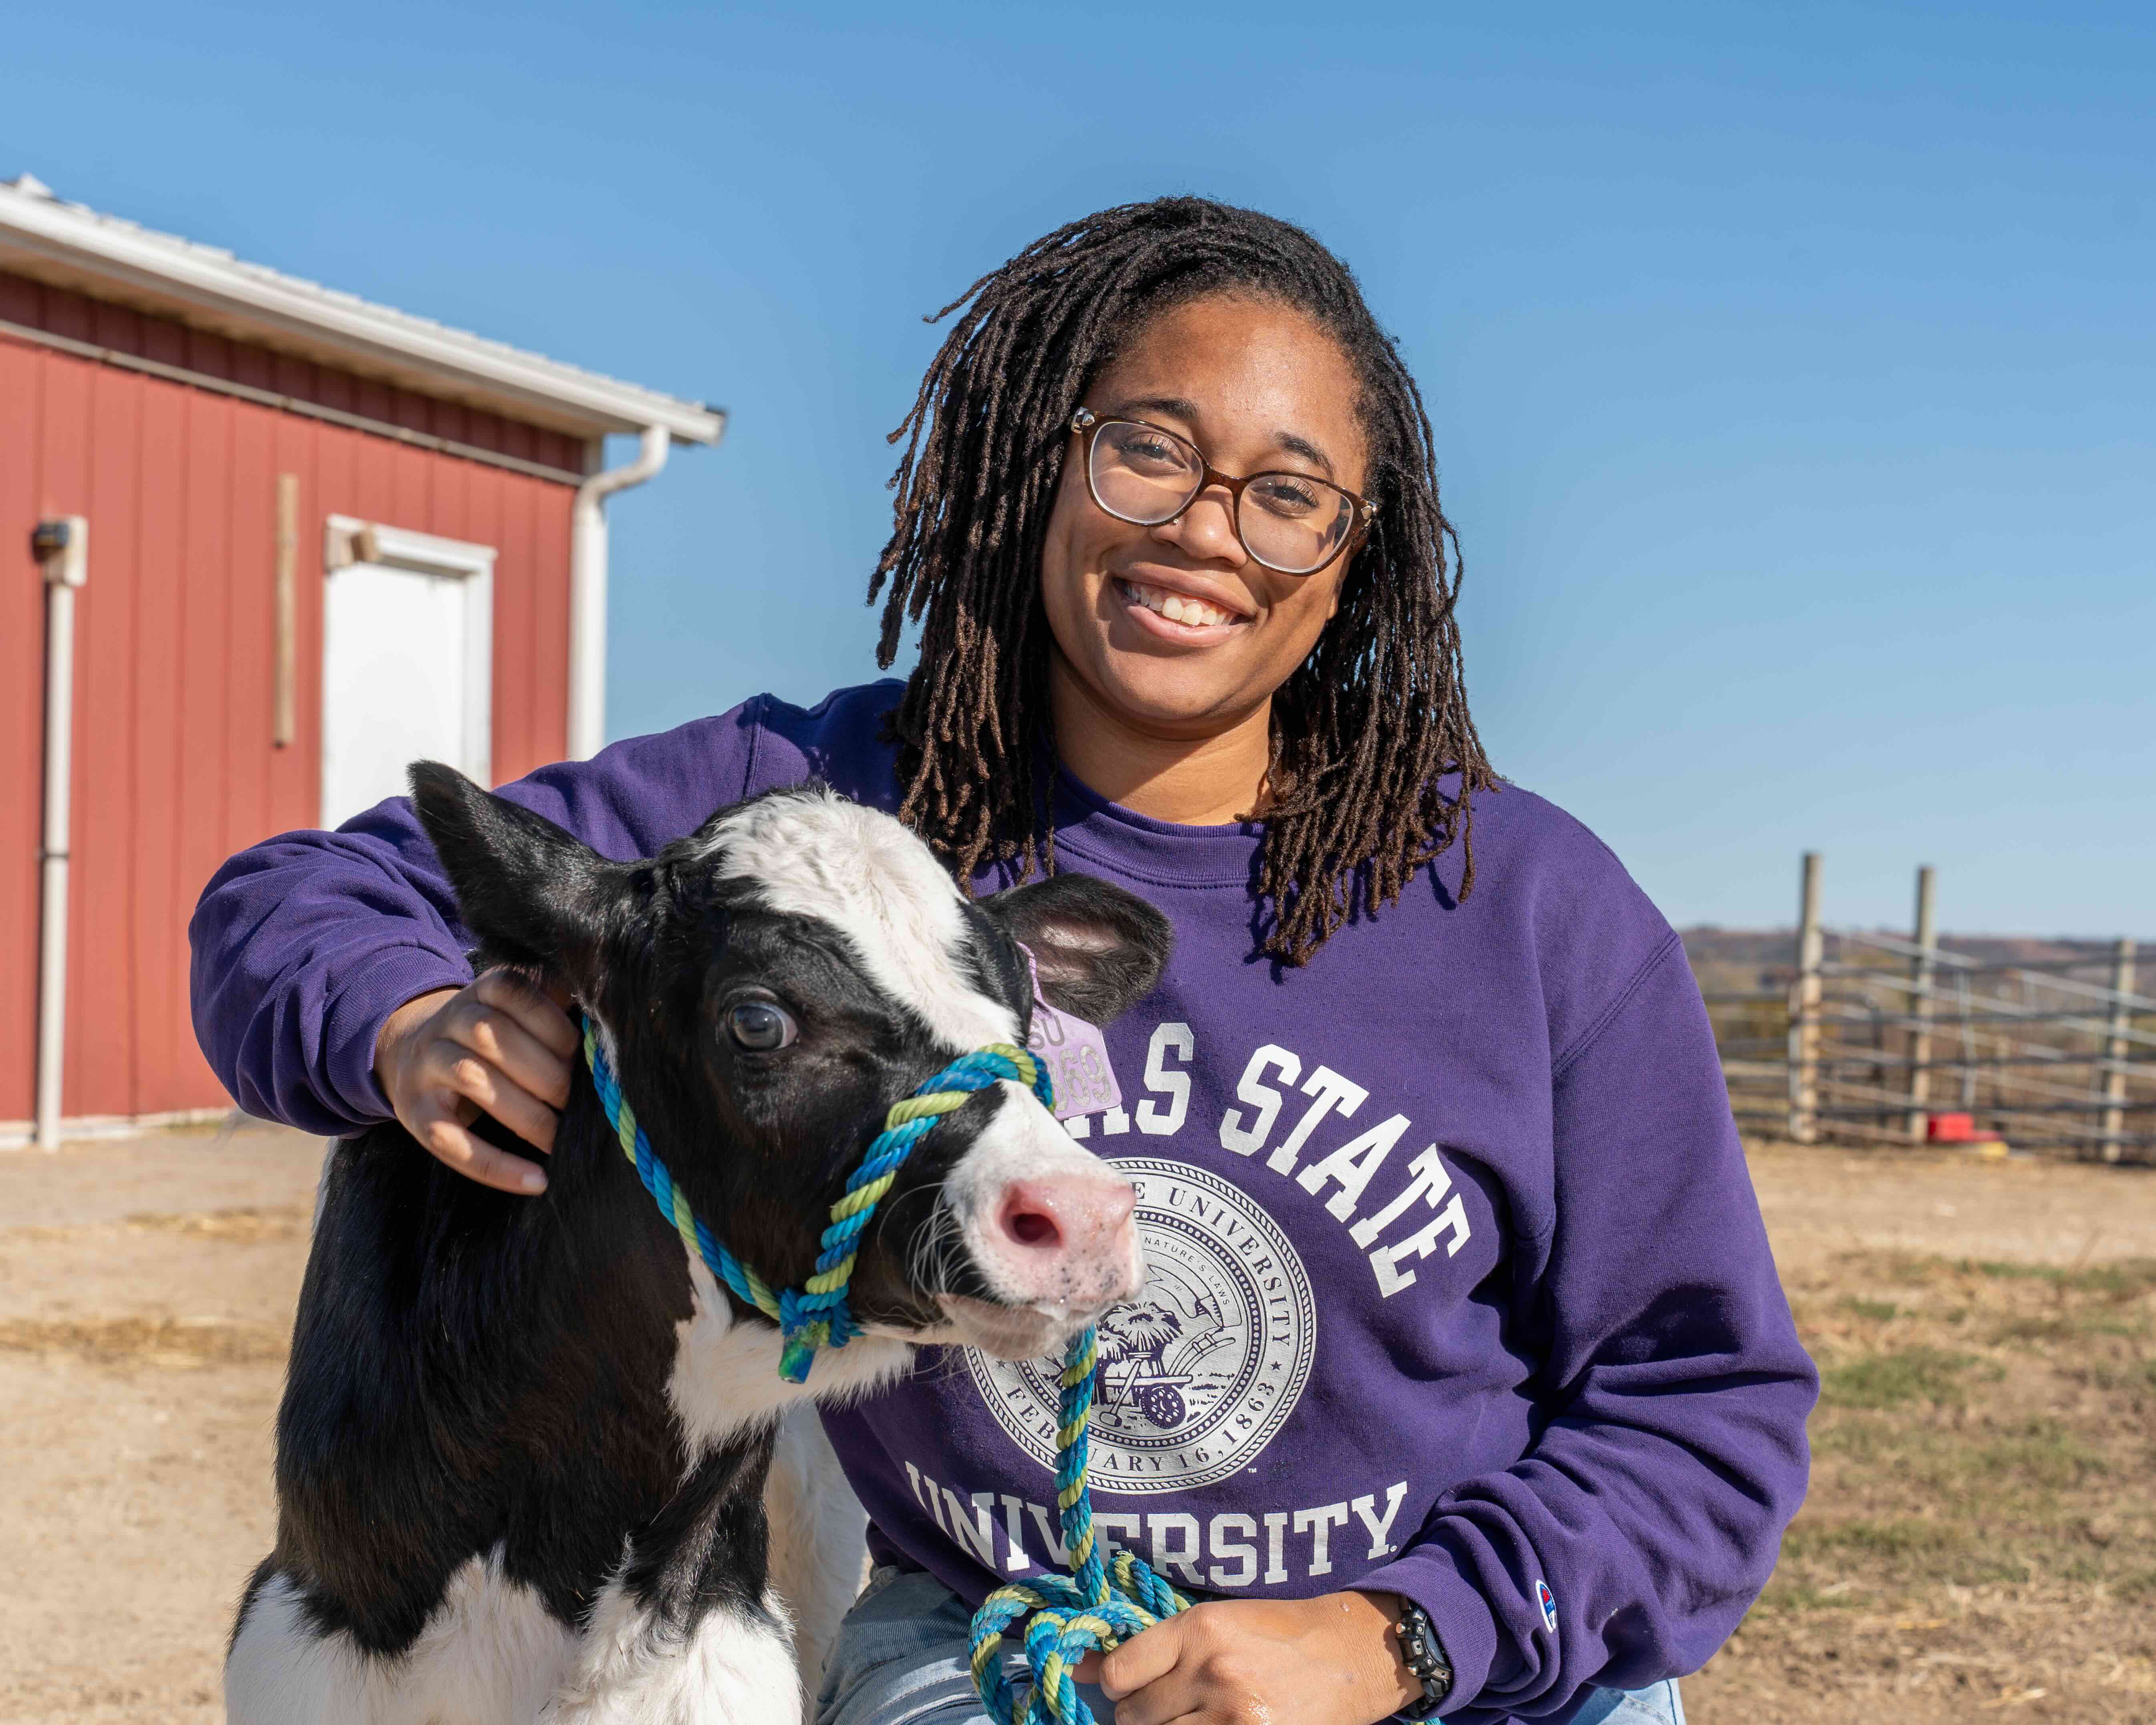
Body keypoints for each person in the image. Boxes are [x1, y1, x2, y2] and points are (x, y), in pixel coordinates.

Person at [192, 197, 1814, 1725]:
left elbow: (1704, 1407)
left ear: (1355, 552)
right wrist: (402, 1021)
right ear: (1031, 461)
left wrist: (1394, 1637)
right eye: (1145, 451)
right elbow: (304, 899)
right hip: (1009, 1645)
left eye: (1285, 491)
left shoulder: (1527, 911)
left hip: (1460, 1660)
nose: (1200, 532)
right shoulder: (805, 814)